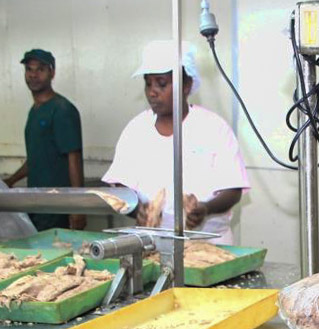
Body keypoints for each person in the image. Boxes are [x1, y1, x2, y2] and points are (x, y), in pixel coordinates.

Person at [102, 40, 249, 244]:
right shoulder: (136, 130)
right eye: (148, 83)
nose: (152, 91)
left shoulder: (214, 128)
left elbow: (233, 190)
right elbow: (118, 186)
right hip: (151, 242)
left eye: (161, 84)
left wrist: (205, 209)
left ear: (186, 86)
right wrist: (137, 210)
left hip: (208, 243)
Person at [4, 48, 85, 231]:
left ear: (52, 73)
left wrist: (78, 207)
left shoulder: (62, 110)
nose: (34, 75)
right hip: (37, 203)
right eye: (29, 69)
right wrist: (11, 180)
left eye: (40, 69)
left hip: (57, 206)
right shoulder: (34, 111)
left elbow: (74, 158)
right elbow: (36, 159)